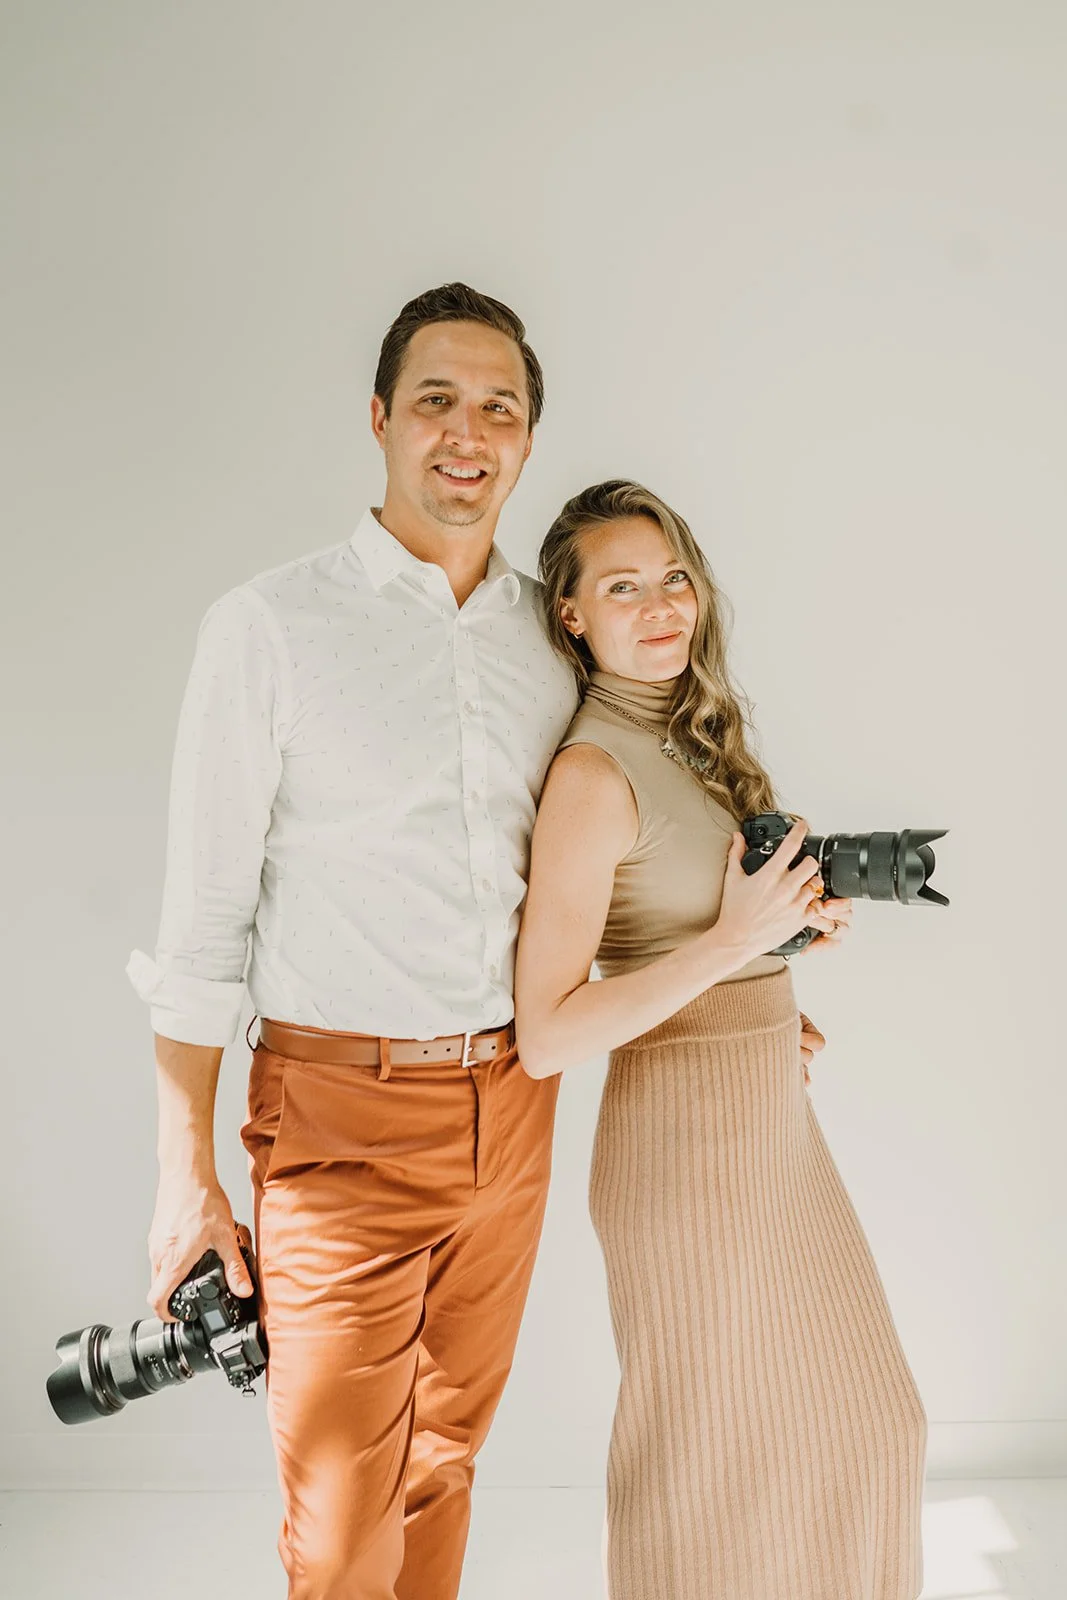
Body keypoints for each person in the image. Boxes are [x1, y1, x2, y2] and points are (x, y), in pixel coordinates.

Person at [126, 283, 579, 1600]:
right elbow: (201, 927)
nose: (466, 430)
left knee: (442, 1463)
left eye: (498, 406)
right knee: (337, 1531)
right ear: (379, 420)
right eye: (435, 398)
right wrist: (184, 1177)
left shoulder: (549, 645)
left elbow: (584, 881)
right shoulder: (267, 629)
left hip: (513, 1104)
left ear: (526, 442)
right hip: (336, 1121)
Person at [515, 480, 927, 1600]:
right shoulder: (590, 776)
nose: (659, 607)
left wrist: (771, 960)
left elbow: (694, 940)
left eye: (672, 579)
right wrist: (733, 940)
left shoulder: (692, 744)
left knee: (866, 1430)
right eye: (621, 587)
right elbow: (546, 1034)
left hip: (767, 1126)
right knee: (702, 1471)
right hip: (681, 1156)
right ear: (569, 613)